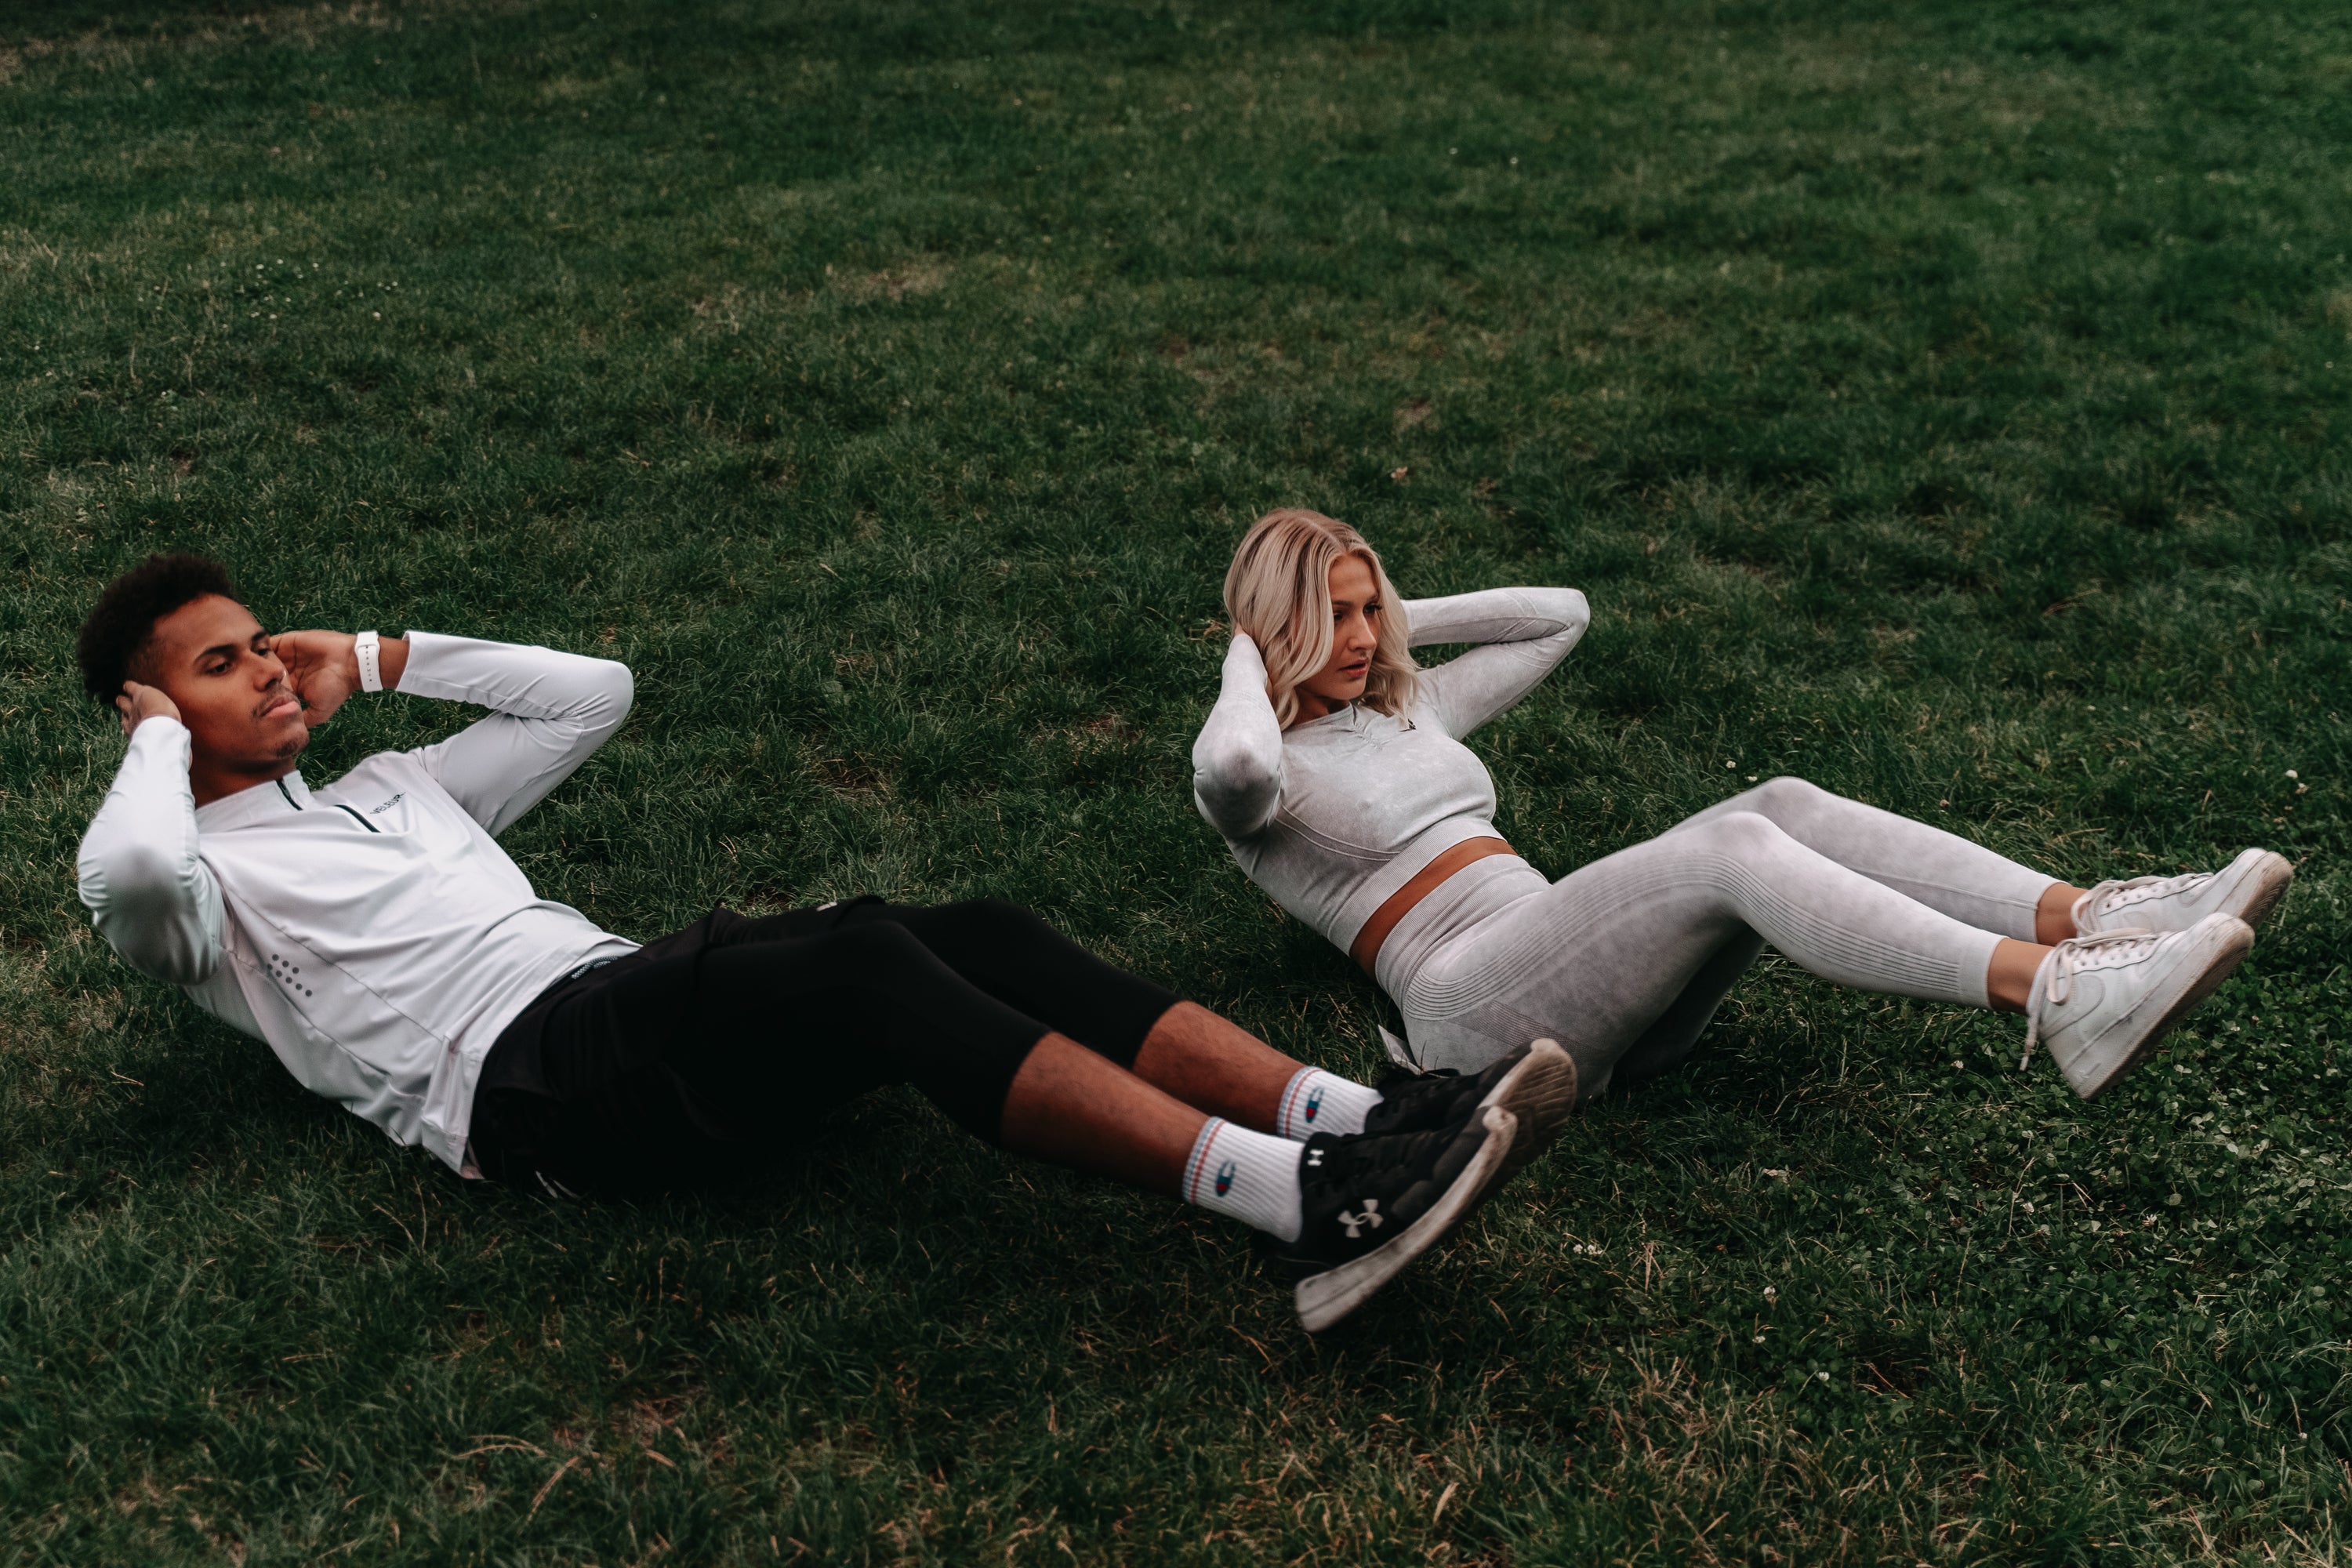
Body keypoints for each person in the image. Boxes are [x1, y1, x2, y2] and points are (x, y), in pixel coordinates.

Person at [71, 553, 1581, 1331]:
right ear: (154, 717)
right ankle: (1303, 1205)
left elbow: (593, 695)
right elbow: (132, 860)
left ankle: (1370, 1118)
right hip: (531, 1092)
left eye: (263, 643)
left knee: (973, 930)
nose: (267, 670)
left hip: (619, 1000)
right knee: (867, 965)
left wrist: (383, 657)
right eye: (220, 665)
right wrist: (152, 741)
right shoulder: (198, 901)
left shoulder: (395, 789)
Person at [1190, 508, 2291, 1103]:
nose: (1359, 641)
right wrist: (1251, 644)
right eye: (1331, 619)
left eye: (1365, 614)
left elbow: (1560, 616)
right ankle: (2058, 999)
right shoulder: (1260, 779)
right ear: (1276, 628)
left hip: (1581, 980)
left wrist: (1387, 614)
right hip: (1472, 1015)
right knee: (1729, 846)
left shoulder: (1407, 706)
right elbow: (1235, 763)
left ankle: (2093, 917)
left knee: (1783, 802)